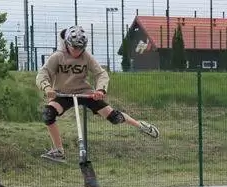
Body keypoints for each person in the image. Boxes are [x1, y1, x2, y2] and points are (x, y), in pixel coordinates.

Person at [36, 25, 160, 163]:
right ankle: (59, 151)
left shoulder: (86, 56)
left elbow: (101, 74)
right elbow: (43, 73)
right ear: (67, 43)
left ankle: (140, 125)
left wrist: (100, 90)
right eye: (74, 48)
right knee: (48, 114)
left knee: (115, 118)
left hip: (84, 92)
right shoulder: (57, 56)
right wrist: (47, 88)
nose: (77, 52)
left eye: (80, 49)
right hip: (63, 94)